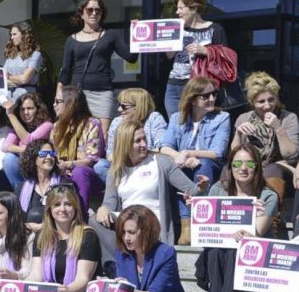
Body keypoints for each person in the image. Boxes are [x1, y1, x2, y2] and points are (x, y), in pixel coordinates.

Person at [93, 121, 206, 267]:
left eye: (145, 139)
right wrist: (103, 208)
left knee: (135, 225)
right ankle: (117, 265)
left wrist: (201, 188)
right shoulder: (116, 170)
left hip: (152, 221)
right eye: (137, 141)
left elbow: (191, 189)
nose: (144, 144)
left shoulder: (161, 162)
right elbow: (109, 202)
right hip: (127, 220)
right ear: (125, 144)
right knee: (94, 220)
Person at [198, 144, 278, 292]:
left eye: (249, 163)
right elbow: (208, 228)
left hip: (253, 254)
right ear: (230, 167)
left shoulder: (268, 195)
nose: (243, 168)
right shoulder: (218, 189)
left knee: (237, 247)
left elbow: (257, 232)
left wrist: (249, 222)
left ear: (257, 167)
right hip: (218, 252)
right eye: (237, 163)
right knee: (217, 248)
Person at [159, 76, 230, 244]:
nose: (211, 99)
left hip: (211, 165)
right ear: (192, 98)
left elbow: (216, 152)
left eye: (213, 94)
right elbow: (164, 147)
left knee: (203, 165)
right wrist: (180, 157)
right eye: (205, 96)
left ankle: (198, 220)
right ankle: (185, 226)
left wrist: (189, 153)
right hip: (184, 163)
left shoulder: (222, 117)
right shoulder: (178, 118)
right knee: (174, 167)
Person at [58, 0, 138, 133]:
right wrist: (59, 95)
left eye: (98, 10)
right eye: (90, 10)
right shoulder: (71, 40)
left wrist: (136, 32)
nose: (94, 13)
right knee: (77, 134)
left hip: (102, 93)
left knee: (102, 136)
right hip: (78, 94)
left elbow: (131, 57)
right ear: (82, 13)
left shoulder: (111, 35)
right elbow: (65, 71)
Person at [230, 71, 299, 204]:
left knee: (272, 169)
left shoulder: (289, 118)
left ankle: (272, 218)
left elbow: (291, 155)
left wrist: (278, 128)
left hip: (281, 169)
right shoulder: (244, 118)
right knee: (228, 170)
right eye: (261, 101)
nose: (267, 106)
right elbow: (234, 156)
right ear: (252, 102)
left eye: (271, 100)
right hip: (252, 166)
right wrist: (238, 134)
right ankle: (235, 211)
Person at [164, 0, 227, 117]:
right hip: (174, 85)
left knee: (199, 123)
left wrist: (206, 51)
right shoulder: (176, 29)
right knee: (175, 125)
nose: (177, 12)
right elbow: (169, 56)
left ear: (194, 8)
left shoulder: (215, 29)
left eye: (181, 8)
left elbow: (225, 58)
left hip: (199, 87)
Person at [94, 88, 168, 184]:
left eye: (124, 106)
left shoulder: (154, 118)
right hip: (124, 165)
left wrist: (137, 155)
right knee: (100, 166)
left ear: (139, 106)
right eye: (119, 105)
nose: (119, 109)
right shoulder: (117, 122)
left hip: (148, 162)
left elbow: (162, 149)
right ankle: (123, 190)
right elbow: (111, 155)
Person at [51, 85, 104, 212]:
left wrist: (69, 164)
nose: (54, 105)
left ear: (70, 103)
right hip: (63, 173)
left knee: (79, 172)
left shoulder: (92, 123)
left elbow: (92, 159)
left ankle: (82, 217)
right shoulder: (56, 126)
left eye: (58, 102)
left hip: (88, 176)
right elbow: (54, 153)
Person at [2, 93, 54, 188]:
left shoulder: (47, 125)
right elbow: (5, 146)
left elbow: (29, 141)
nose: (26, 112)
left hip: (41, 169)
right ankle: (20, 191)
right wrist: (24, 150)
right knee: (9, 158)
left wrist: (11, 115)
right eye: (22, 109)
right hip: (23, 169)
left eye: (30, 108)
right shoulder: (18, 127)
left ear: (38, 109)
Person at [16, 139, 67, 231]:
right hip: (28, 236)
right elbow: (14, 219)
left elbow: (70, 215)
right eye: (43, 154)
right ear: (33, 158)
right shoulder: (21, 187)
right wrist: (28, 227)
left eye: (51, 154)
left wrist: (43, 228)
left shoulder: (63, 184)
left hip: (56, 234)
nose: (49, 157)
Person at [4, 21, 43, 101]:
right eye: (11, 35)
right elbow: (2, 77)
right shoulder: (11, 56)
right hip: (9, 98)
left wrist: (8, 77)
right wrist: (15, 79)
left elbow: (24, 79)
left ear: (24, 35)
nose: (11, 37)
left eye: (14, 34)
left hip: (26, 99)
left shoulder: (35, 55)